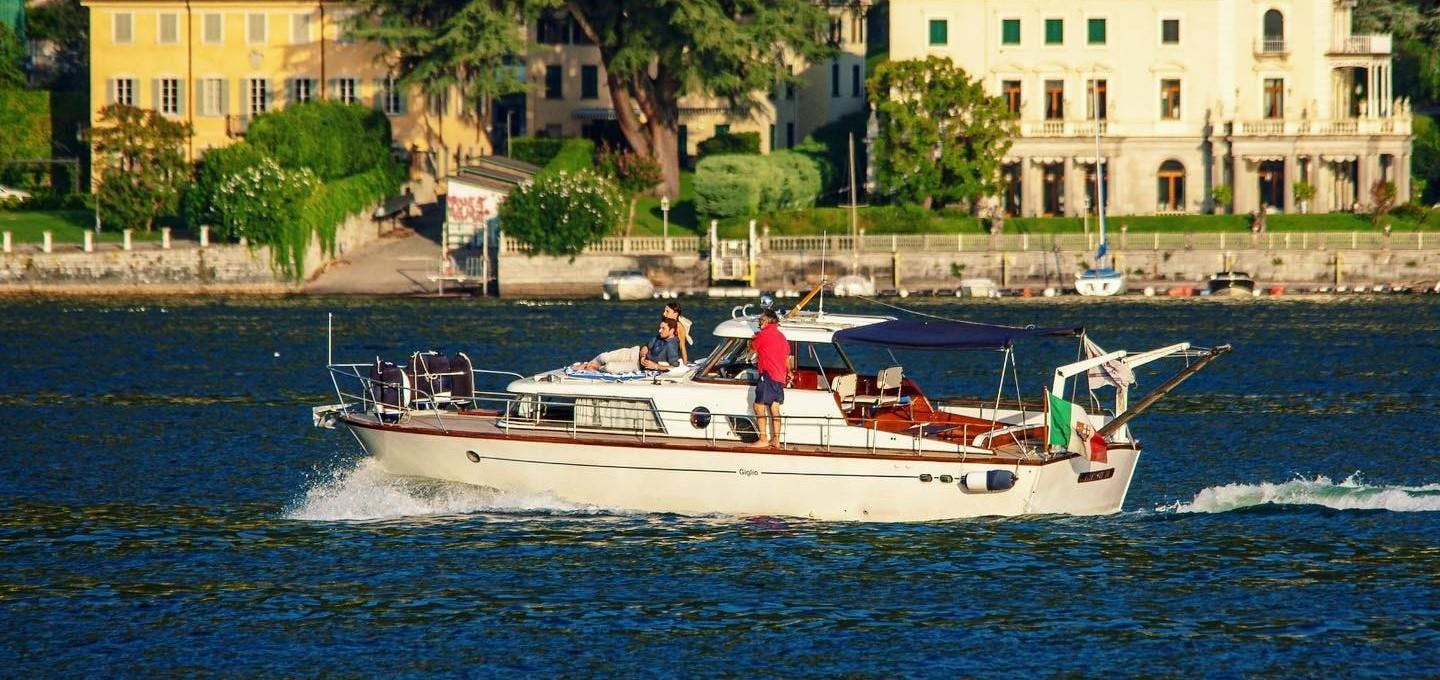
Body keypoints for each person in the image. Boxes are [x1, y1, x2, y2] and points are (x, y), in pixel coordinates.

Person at [574, 318, 681, 373]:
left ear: (671, 330)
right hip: (634, 353)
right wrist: (644, 351)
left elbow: (675, 367)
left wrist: (656, 366)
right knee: (604, 356)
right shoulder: (658, 337)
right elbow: (646, 346)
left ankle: (593, 368)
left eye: (663, 328)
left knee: (609, 367)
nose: (659, 330)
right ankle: (589, 364)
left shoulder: (671, 347)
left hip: (639, 366)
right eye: (660, 327)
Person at [749, 308, 789, 449]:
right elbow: (786, 359)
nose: (759, 324)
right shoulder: (782, 337)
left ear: (766, 322)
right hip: (780, 377)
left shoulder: (763, 335)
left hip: (768, 375)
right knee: (775, 408)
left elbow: (752, 349)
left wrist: (753, 339)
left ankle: (763, 438)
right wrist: (788, 372)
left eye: (760, 321)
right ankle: (776, 439)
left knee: (758, 406)